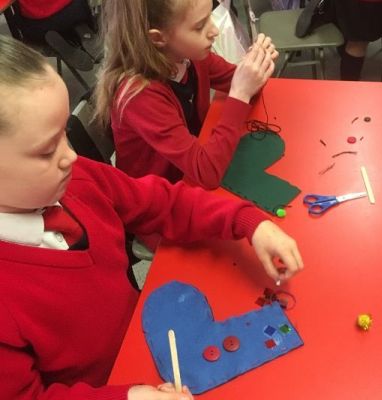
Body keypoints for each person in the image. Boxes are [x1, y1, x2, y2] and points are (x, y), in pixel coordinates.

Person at [0, 35, 303, 400]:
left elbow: (162, 203)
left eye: (66, 134)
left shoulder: (77, 180)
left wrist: (247, 222)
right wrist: (127, 397)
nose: (71, 156)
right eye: (47, 150)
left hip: (148, 340)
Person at [95, 0, 278, 189]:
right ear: (158, 38)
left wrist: (255, 64)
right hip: (161, 194)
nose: (214, 30)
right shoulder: (140, 96)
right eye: (199, 26)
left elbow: (245, 84)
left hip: (191, 168)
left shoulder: (189, 56)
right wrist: (240, 93)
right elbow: (207, 174)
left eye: (210, 16)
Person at [15, 0, 95, 43]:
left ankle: (66, 41)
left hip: (41, 28)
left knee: (18, 18)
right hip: (76, 11)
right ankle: (75, 33)